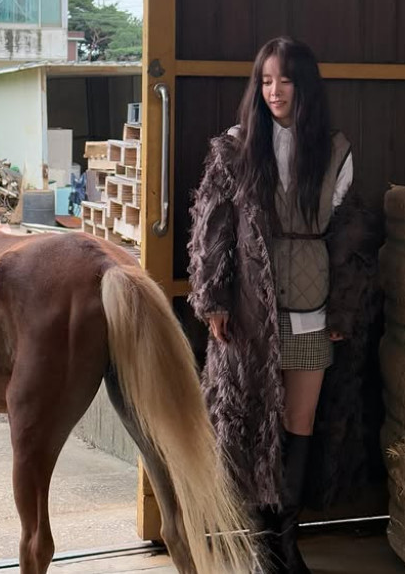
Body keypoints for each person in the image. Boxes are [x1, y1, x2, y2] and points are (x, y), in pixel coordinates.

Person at [188, 37, 378, 573]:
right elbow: (212, 226)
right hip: (252, 309)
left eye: (286, 80)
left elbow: (348, 234)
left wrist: (342, 309)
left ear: (305, 86)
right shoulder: (235, 147)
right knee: (251, 422)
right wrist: (214, 299)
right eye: (266, 80)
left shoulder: (333, 150)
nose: (275, 91)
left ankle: (284, 542)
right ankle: (259, 544)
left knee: (301, 420)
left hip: (314, 309)